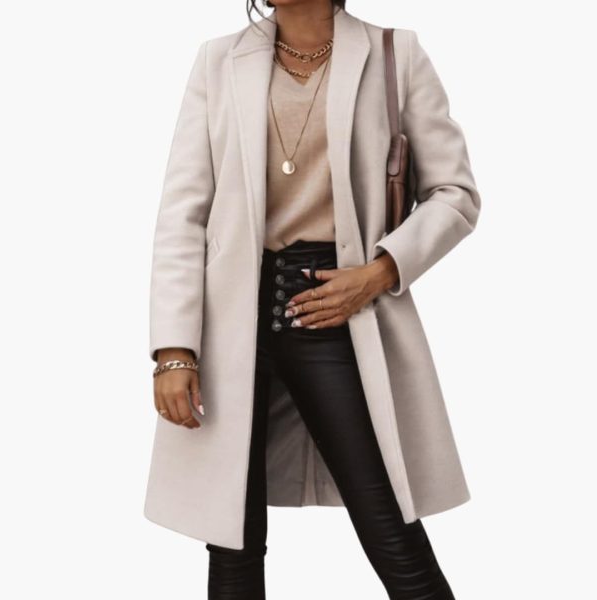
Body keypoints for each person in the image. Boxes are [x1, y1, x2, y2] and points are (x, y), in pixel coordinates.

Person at [146, 1, 481, 598]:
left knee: (390, 530)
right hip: (231, 322)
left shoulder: (394, 53)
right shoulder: (219, 60)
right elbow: (183, 214)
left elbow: (454, 194)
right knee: (231, 542)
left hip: (333, 306)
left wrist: (380, 271)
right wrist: (174, 349)